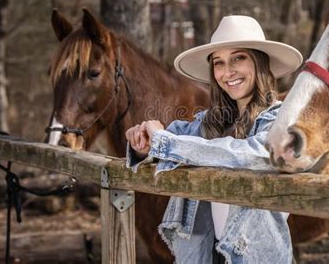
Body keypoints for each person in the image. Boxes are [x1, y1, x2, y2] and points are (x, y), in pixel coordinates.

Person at [125, 15, 303, 263]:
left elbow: (252, 153)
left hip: (253, 254)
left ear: (260, 63)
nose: (227, 71)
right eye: (218, 63)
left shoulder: (281, 119)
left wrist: (166, 143)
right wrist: (144, 143)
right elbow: (175, 139)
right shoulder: (210, 122)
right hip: (207, 252)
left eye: (238, 58)